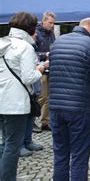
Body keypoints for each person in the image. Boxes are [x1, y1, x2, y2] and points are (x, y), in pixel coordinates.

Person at [48, 18, 90, 181]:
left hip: (56, 107)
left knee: (60, 154)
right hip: (80, 108)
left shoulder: (58, 42)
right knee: (79, 157)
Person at [0, 12, 45, 181]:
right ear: (31, 27)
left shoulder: (2, 42)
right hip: (15, 103)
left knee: (4, 142)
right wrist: (39, 70)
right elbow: (28, 77)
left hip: (1, 99)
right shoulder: (25, 47)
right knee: (13, 145)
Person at [35, 11, 56, 132]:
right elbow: (32, 53)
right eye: (50, 23)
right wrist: (45, 55)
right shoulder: (36, 34)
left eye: (53, 23)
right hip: (40, 69)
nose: (52, 25)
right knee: (41, 96)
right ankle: (31, 120)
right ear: (43, 21)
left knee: (48, 97)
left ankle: (45, 122)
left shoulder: (51, 34)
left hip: (50, 68)